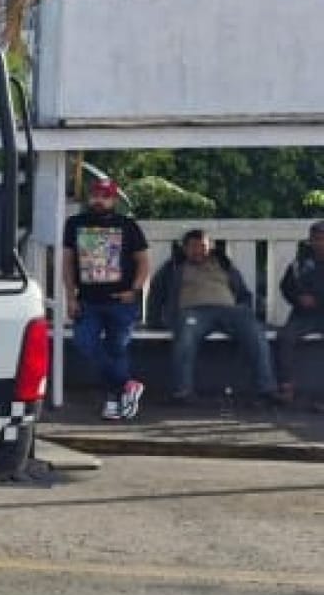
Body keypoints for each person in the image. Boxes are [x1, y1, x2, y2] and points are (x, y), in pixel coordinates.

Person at [147, 229, 277, 405]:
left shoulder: (223, 264)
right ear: (184, 248)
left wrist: (244, 308)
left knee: (255, 332)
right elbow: (156, 293)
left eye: (203, 246)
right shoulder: (174, 267)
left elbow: (243, 291)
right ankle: (183, 391)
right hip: (193, 312)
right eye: (193, 247)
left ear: (211, 247)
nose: (198, 250)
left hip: (229, 310)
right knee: (185, 338)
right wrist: (154, 320)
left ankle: (266, 390)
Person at [63, 177, 150, 420]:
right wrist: (70, 296)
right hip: (88, 299)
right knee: (84, 341)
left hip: (121, 300)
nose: (99, 200)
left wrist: (134, 290)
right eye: (95, 195)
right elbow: (68, 262)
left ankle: (113, 399)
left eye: (105, 196)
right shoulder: (75, 223)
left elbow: (143, 262)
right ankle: (127, 385)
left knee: (117, 348)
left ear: (114, 199)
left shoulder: (128, 226)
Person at [275, 220, 324, 406]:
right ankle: (287, 388)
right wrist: (298, 298)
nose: (320, 243)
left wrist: (318, 300)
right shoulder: (301, 261)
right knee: (286, 337)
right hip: (303, 314)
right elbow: (286, 286)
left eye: (323, 239)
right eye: (316, 239)